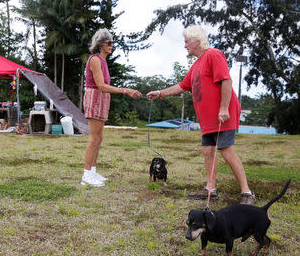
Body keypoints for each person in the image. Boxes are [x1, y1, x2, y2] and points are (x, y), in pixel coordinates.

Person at [146, 25, 256, 205]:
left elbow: (226, 80)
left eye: (186, 42)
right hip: (207, 120)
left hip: (222, 115)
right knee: (207, 150)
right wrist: (159, 93)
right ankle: (210, 189)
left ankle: (247, 193)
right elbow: (181, 86)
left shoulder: (213, 54)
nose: (184, 46)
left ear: (196, 41)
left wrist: (223, 108)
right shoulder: (196, 65)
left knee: (227, 152)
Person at [82, 28, 142, 187]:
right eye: (109, 43)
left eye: (112, 43)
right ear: (100, 44)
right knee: (93, 138)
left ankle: (93, 172)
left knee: (99, 138)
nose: (111, 46)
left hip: (102, 99)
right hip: (95, 97)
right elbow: (101, 86)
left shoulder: (103, 61)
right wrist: (125, 90)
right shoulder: (94, 59)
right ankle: (86, 175)